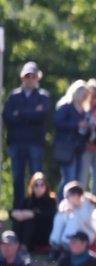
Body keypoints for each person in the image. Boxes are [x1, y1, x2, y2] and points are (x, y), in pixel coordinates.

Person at [3, 61, 52, 203]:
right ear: (22, 77)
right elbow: (8, 117)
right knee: (17, 177)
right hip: (16, 143)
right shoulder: (14, 96)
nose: (30, 79)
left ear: (38, 78)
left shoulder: (43, 96)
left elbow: (42, 116)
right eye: (27, 76)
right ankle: (18, 208)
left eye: (33, 76)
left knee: (37, 179)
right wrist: (32, 113)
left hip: (35, 143)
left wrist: (20, 113)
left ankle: (37, 208)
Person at [50, 182, 96, 253]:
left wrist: (77, 209)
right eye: (71, 194)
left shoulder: (89, 204)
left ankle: (67, 243)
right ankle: (55, 242)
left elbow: (92, 224)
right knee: (59, 217)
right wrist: (68, 212)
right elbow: (62, 218)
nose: (76, 196)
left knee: (74, 218)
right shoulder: (65, 204)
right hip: (69, 234)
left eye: (78, 193)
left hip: (87, 234)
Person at [52, 80, 91, 185]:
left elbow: (85, 132)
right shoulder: (65, 107)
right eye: (82, 93)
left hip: (79, 149)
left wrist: (89, 127)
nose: (83, 96)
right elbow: (58, 123)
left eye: (85, 94)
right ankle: (62, 196)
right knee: (69, 179)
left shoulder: (85, 111)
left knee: (76, 180)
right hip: (66, 149)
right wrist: (77, 125)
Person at [10, 172, 57, 252]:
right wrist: (15, 214)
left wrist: (32, 214)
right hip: (28, 233)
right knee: (18, 219)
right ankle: (16, 244)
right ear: (32, 186)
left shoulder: (51, 201)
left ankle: (24, 246)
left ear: (46, 186)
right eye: (36, 185)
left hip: (43, 233)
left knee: (30, 221)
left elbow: (49, 215)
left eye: (42, 185)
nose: (39, 187)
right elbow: (15, 211)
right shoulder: (28, 200)